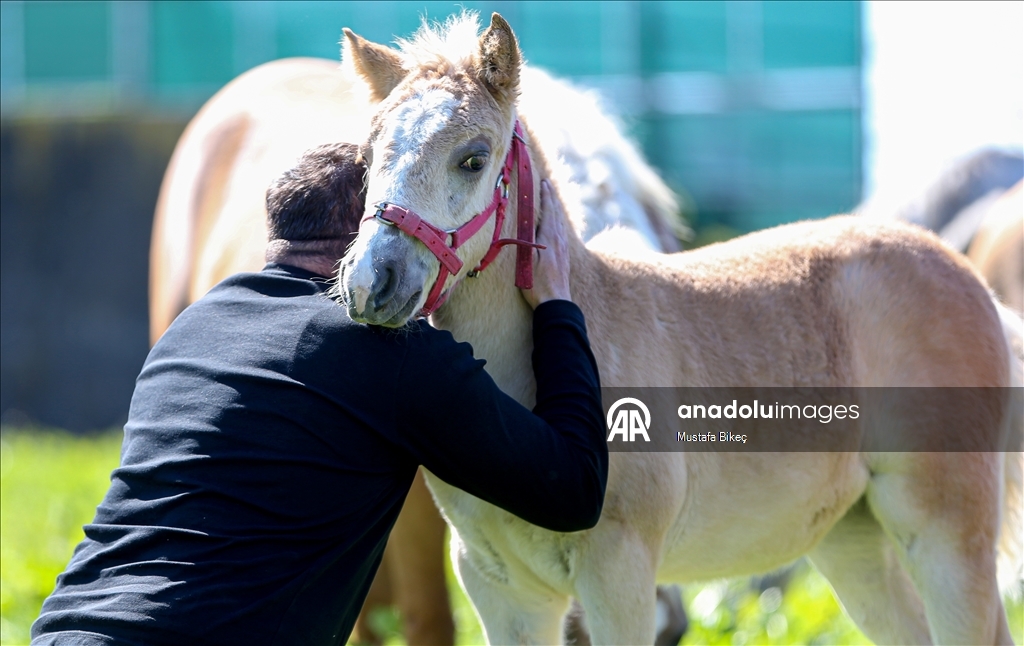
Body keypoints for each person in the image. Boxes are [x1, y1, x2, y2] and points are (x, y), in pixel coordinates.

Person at [31, 143, 607, 646]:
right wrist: (558, 311)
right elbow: (574, 489)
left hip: (64, 627)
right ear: (375, 232)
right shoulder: (388, 351)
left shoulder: (193, 326)